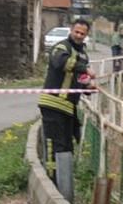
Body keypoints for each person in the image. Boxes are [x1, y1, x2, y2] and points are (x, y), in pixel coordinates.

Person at [38, 19, 92, 185]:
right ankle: (51, 181)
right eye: (76, 32)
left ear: (86, 35)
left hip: (68, 108)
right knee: (54, 145)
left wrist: (88, 86)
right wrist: (84, 69)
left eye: (82, 34)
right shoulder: (62, 48)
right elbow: (61, 62)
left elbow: (79, 79)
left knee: (67, 145)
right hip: (53, 104)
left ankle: (64, 181)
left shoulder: (83, 53)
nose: (79, 36)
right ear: (71, 30)